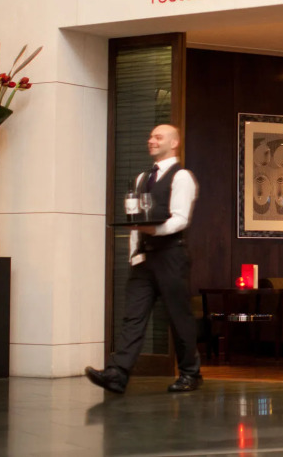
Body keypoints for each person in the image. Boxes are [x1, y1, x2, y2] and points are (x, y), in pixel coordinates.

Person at [85, 124, 202, 393]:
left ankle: (190, 374)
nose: (151, 140)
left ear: (174, 143)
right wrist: (134, 254)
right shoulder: (142, 178)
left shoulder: (182, 177)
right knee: (133, 316)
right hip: (144, 258)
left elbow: (181, 219)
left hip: (171, 256)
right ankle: (117, 373)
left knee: (179, 317)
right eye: (150, 136)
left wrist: (154, 231)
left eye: (158, 137)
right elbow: (136, 223)